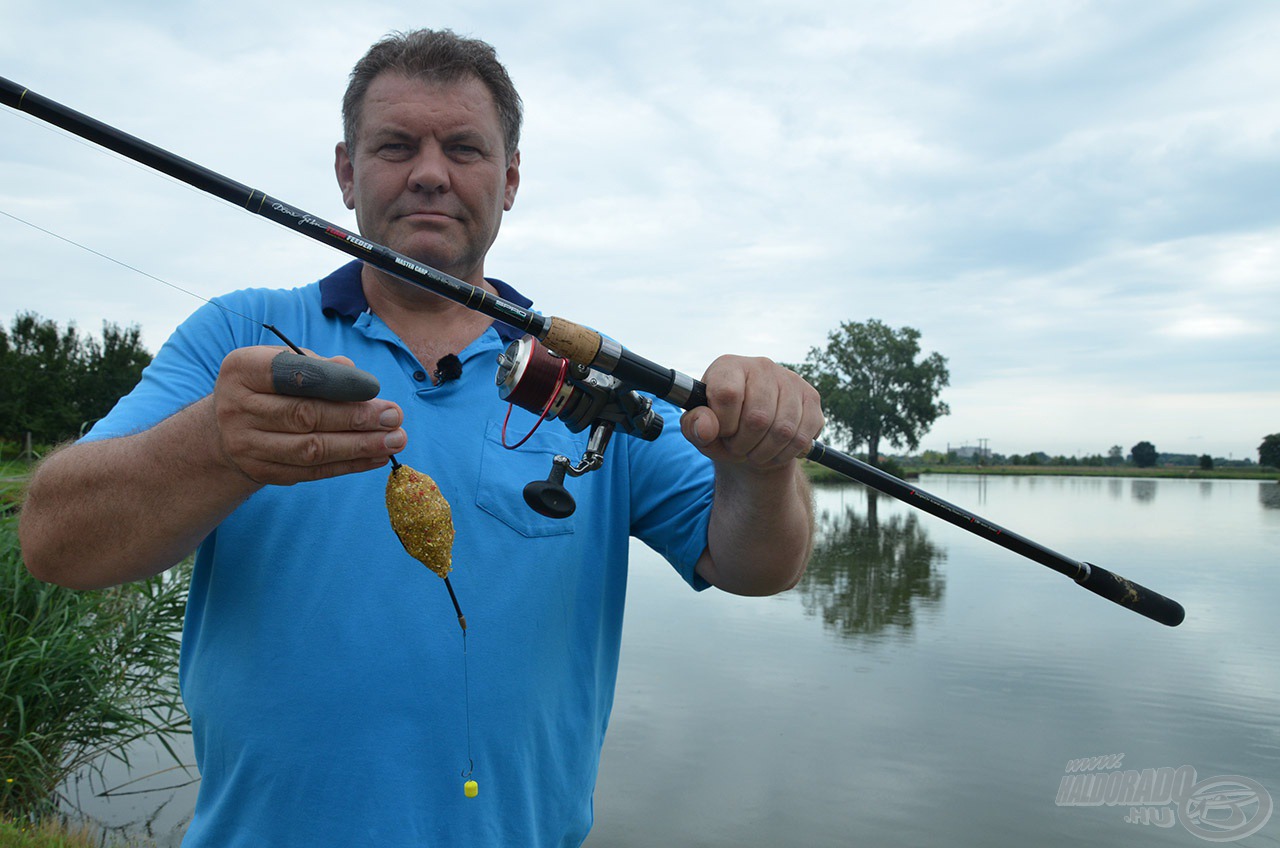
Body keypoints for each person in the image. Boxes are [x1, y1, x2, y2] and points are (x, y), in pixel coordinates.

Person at [19, 29, 823, 847]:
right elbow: (55, 544)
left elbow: (758, 567)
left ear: (509, 180)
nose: (430, 172)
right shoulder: (240, 338)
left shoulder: (596, 389)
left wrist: (763, 469)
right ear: (346, 171)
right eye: (396, 146)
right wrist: (213, 447)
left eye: (465, 149)